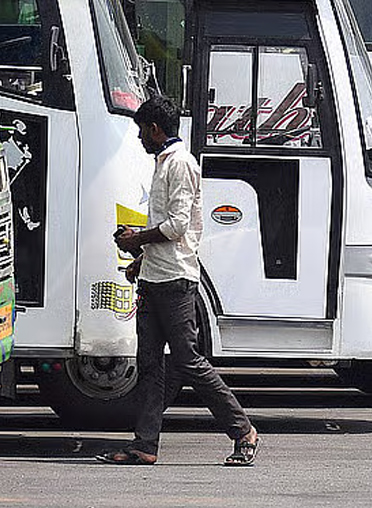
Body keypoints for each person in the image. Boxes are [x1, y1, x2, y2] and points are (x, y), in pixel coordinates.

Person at [98, 94, 259, 467]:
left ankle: (243, 431)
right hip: (156, 277)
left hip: (176, 281)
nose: (139, 139)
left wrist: (135, 239)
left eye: (142, 131)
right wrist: (141, 259)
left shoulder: (180, 164)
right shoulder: (164, 162)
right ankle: (144, 445)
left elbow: (177, 227)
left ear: (155, 130)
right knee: (151, 364)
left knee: (189, 361)